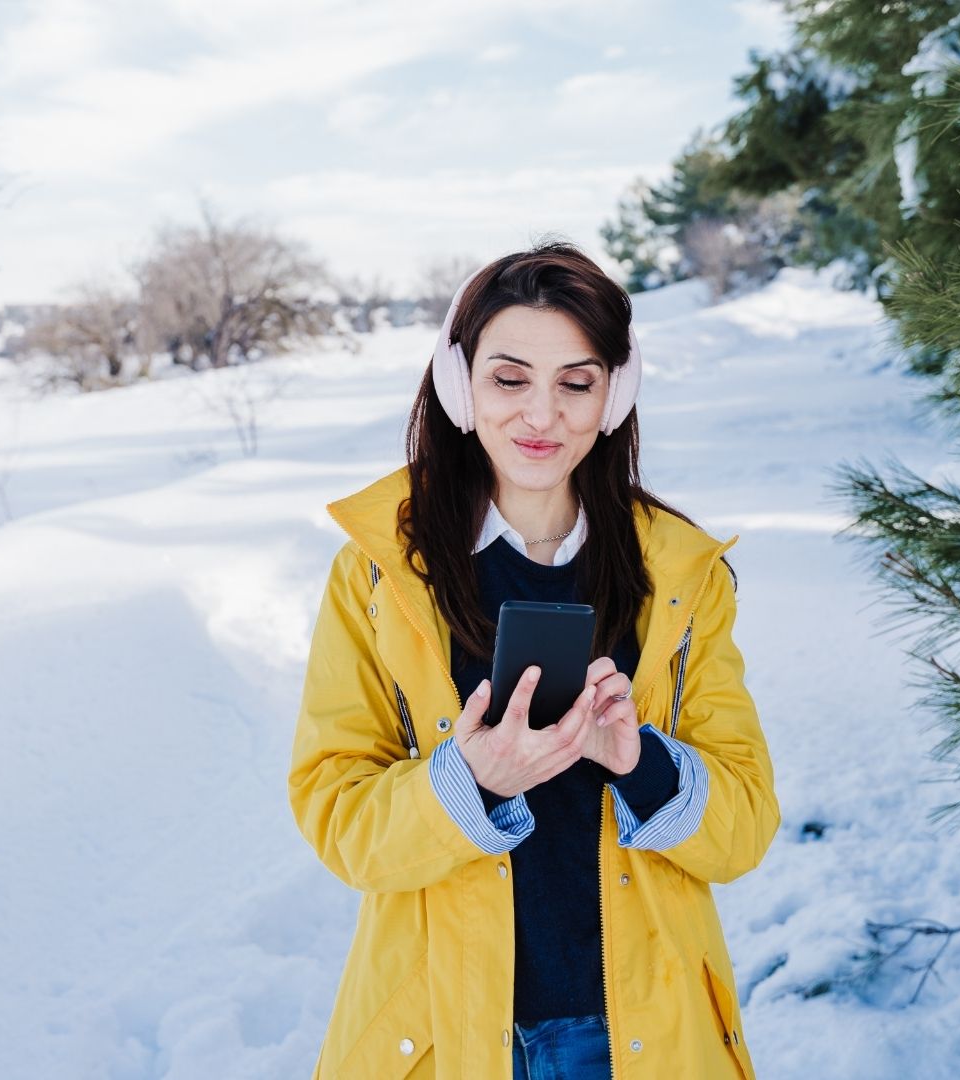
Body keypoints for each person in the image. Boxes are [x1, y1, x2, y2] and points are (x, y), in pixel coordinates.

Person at [288, 240, 778, 1079]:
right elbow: (338, 817)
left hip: (639, 1037)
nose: (541, 416)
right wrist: (471, 781)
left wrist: (640, 761)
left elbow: (744, 830)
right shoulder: (376, 574)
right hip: (446, 1032)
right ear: (459, 386)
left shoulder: (683, 577)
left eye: (575, 384)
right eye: (509, 379)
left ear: (613, 395)